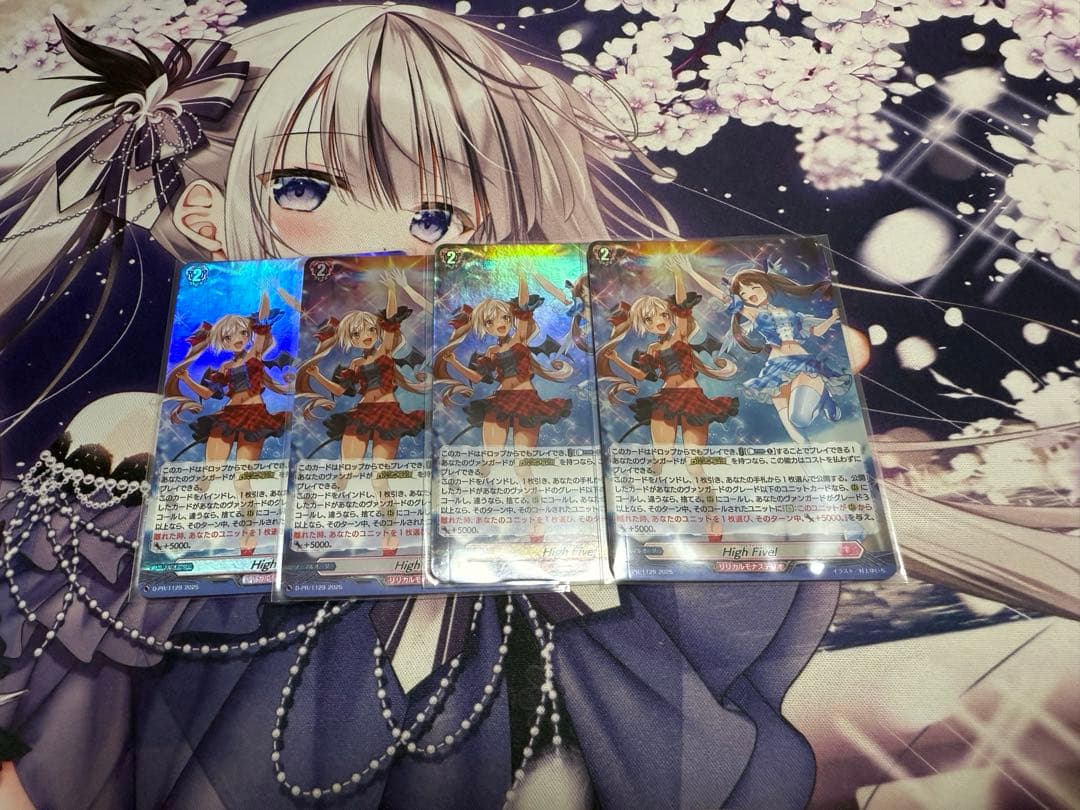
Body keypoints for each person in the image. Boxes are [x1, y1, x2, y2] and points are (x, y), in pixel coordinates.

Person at [0, 7, 836, 808]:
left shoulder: (537, 367)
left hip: (511, 688)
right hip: (257, 704)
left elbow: (719, 582)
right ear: (204, 217)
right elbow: (71, 690)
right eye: (304, 187)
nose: (389, 238)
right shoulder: (162, 418)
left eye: (435, 215)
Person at [296, 272, 427, 553]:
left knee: (379, 479)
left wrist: (391, 290)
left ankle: (390, 533)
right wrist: (317, 377)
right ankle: (334, 528)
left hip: (388, 414)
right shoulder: (355, 364)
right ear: (350, 339)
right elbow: (341, 390)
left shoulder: (386, 352)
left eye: (369, 330)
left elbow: (390, 321)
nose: (364, 336)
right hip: (361, 414)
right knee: (345, 473)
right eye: (356, 334)